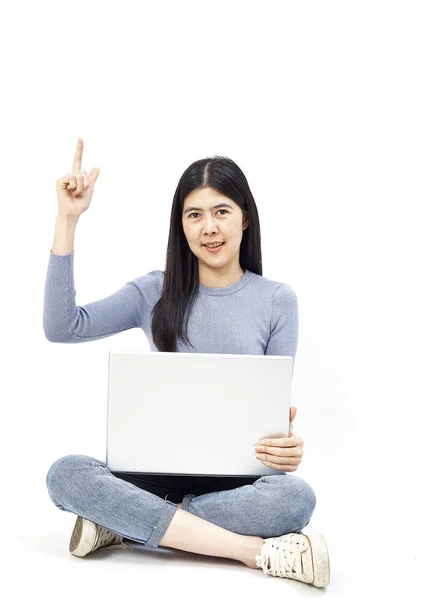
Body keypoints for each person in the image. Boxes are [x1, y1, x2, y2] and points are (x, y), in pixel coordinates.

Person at [43, 138, 330, 587]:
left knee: (295, 499)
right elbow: (63, 327)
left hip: (233, 482)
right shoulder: (153, 291)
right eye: (194, 215)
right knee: (66, 474)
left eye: (221, 211)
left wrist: (284, 448)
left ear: (245, 218)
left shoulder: (276, 300)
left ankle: (123, 522)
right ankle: (250, 552)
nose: (208, 227)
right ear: (181, 226)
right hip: (150, 475)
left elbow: (272, 414)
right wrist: (67, 220)